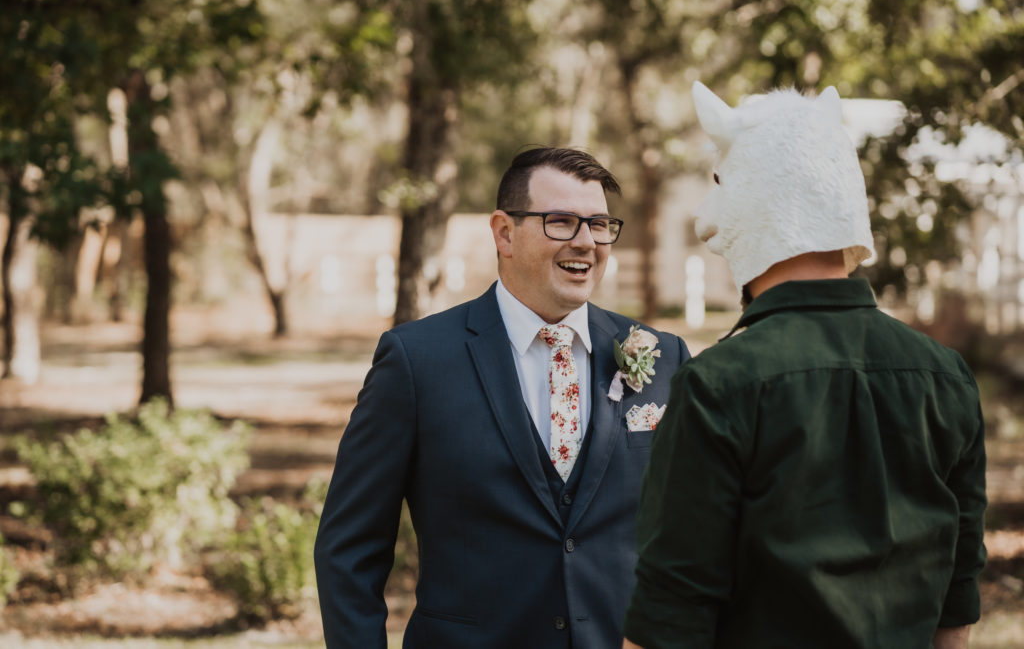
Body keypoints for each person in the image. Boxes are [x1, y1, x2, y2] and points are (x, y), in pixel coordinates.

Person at [622, 82, 987, 649]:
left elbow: (671, 615)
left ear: (757, 197)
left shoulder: (718, 385)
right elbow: (956, 605)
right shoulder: (947, 378)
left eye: (718, 184)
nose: (703, 216)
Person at [315, 146, 691, 648]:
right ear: (504, 233)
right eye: (562, 221)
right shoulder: (416, 361)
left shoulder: (664, 356)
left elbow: (692, 535)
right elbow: (348, 550)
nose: (586, 242)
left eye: (599, 225)